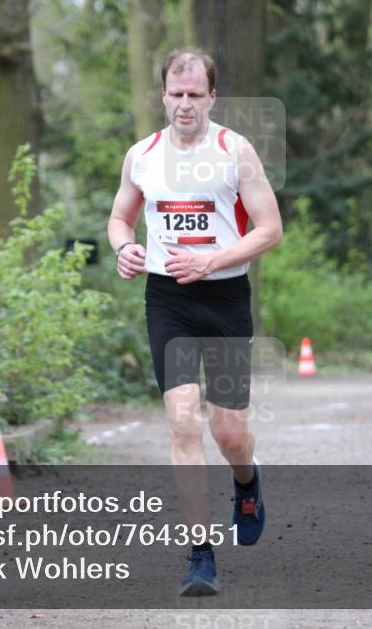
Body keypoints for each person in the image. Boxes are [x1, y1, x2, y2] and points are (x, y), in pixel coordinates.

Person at [107, 48, 282, 596]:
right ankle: (200, 555)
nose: (185, 104)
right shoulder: (141, 155)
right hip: (168, 300)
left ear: (212, 97)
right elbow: (120, 218)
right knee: (183, 423)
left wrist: (212, 260)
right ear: (163, 95)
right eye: (176, 94)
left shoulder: (236, 151)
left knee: (229, 433)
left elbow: (270, 229)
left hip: (225, 299)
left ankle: (247, 483)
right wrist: (124, 248)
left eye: (195, 94)